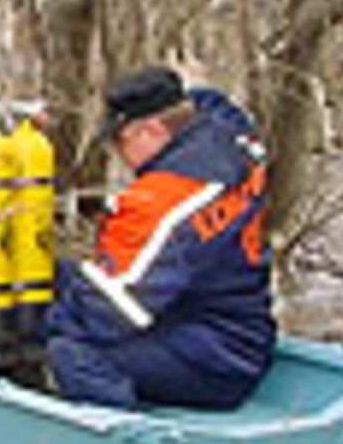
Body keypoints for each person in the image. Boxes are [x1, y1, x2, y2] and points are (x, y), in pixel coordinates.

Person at [41, 64, 275, 409]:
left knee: (71, 353)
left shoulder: (161, 202)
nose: (119, 155)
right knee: (58, 276)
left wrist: (39, 324)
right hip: (238, 321)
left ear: (151, 130)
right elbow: (211, 100)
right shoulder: (230, 136)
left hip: (217, 358)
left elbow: (111, 313)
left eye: (121, 141)